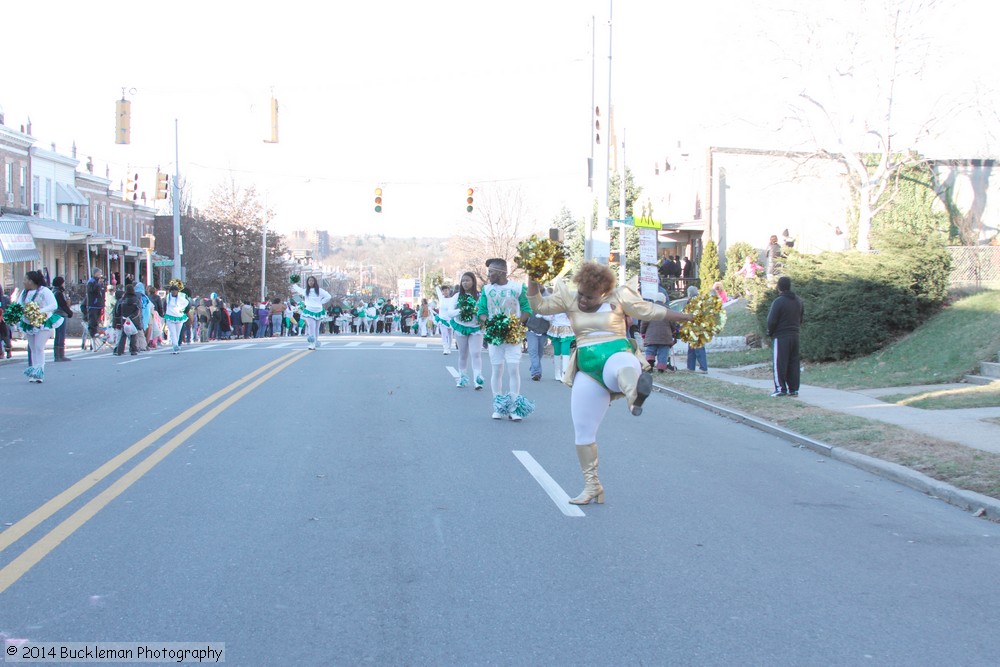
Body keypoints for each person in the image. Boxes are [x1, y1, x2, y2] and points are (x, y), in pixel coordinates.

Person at [527, 262, 692, 504]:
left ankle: (635, 396)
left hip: (616, 351)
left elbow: (650, 311)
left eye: (590, 297)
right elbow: (538, 304)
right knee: (583, 432)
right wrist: (533, 274)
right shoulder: (569, 298)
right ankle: (592, 486)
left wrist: (686, 316)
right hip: (587, 364)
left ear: (604, 292)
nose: (583, 301)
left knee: (622, 366)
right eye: (581, 294)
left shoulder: (619, 296)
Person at [477, 258, 532, 421]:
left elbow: (527, 309)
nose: (489, 275)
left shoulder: (517, 287)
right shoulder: (486, 290)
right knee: (497, 370)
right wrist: (491, 323)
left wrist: (515, 324)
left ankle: (515, 407)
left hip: (512, 336)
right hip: (495, 337)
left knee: (513, 369)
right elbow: (481, 311)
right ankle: (499, 407)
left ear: (501, 272)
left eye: (491, 272)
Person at [442, 271, 485, 389]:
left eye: (468, 280)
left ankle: (478, 380)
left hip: (475, 327)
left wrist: (476, 312)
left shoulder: (480, 296)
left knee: (476, 353)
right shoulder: (457, 296)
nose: (465, 283)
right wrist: (463, 310)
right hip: (461, 327)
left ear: (473, 282)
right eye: (463, 280)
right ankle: (462, 379)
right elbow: (450, 312)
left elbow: (483, 311)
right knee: (463, 354)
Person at [17, 270, 62, 383]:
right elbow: (18, 305)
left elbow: (54, 305)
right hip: (29, 323)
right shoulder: (24, 293)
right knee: (32, 348)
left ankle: (40, 372)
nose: (23, 281)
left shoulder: (44, 291)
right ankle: (34, 372)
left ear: (31, 281)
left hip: (43, 322)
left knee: (39, 346)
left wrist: (39, 311)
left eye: (25, 279)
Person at [767, 275, 805, 397]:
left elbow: (771, 320)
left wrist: (770, 332)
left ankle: (780, 388)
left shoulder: (778, 302)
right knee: (793, 362)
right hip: (795, 335)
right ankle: (793, 389)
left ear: (779, 287)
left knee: (780, 363)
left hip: (781, 335)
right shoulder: (798, 301)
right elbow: (801, 317)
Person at [291, 276, 332, 350]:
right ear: (307, 282)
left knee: (317, 328)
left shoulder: (320, 290)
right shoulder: (306, 290)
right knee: (311, 326)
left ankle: (315, 341)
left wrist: (321, 302)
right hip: (309, 310)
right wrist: (294, 284)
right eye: (309, 281)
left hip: (319, 310)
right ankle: (311, 343)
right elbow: (299, 290)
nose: (311, 282)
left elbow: (328, 296)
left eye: (312, 281)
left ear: (315, 282)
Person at [640, 293, 676, 372]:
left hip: (651, 335)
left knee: (650, 350)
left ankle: (650, 363)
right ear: (664, 300)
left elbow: (644, 322)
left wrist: (642, 332)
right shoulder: (668, 310)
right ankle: (661, 368)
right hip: (665, 336)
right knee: (663, 351)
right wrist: (674, 331)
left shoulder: (650, 309)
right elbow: (673, 323)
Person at [114, 283, 143, 356]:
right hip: (134, 319)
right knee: (133, 334)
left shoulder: (122, 299)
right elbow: (138, 310)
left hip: (124, 318)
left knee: (123, 335)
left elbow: (118, 310)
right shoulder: (136, 299)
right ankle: (133, 350)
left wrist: (121, 316)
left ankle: (119, 350)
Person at [684, 286, 709, 373]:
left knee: (698, 348)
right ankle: (690, 367)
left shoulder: (692, 303)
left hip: (695, 328)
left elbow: (688, 315)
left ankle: (703, 367)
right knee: (692, 348)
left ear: (689, 294)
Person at [51, 276, 73, 362]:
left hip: (57, 314)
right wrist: (69, 312)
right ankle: (60, 355)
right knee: (60, 334)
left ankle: (58, 355)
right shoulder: (58, 293)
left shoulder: (54, 291)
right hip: (60, 314)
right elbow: (63, 304)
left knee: (59, 334)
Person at [164, 284, 190, 354]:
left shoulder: (181, 298)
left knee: (177, 333)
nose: (174, 292)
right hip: (170, 316)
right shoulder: (168, 297)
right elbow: (165, 305)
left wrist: (182, 310)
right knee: (173, 332)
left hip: (179, 316)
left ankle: (176, 345)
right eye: (172, 291)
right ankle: (175, 346)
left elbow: (187, 303)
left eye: (175, 291)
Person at [85, 268, 105, 349]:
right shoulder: (92, 282)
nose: (100, 275)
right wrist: (98, 284)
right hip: (93, 304)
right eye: (99, 273)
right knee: (92, 319)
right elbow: (93, 290)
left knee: (97, 319)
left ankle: (96, 331)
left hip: (98, 304)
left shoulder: (97, 281)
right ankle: (93, 332)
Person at [0, 285, 12, 359]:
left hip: (4, 320)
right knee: (5, 336)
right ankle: (2, 352)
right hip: (4, 320)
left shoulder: (5, 298)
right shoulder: (5, 298)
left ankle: (8, 351)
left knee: (5, 336)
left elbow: (9, 308)